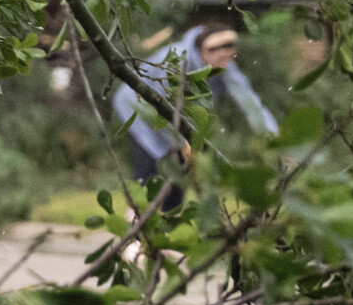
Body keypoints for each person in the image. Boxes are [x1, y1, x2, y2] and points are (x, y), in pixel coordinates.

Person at [110, 16, 278, 187]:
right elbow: (160, 105)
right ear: (205, 51)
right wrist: (182, 141)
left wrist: (272, 134)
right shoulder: (176, 60)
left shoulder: (224, 65)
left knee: (179, 181)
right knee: (150, 177)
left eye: (229, 59)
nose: (226, 65)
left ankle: (171, 210)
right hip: (139, 108)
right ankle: (139, 210)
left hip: (178, 120)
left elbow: (249, 101)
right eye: (222, 59)